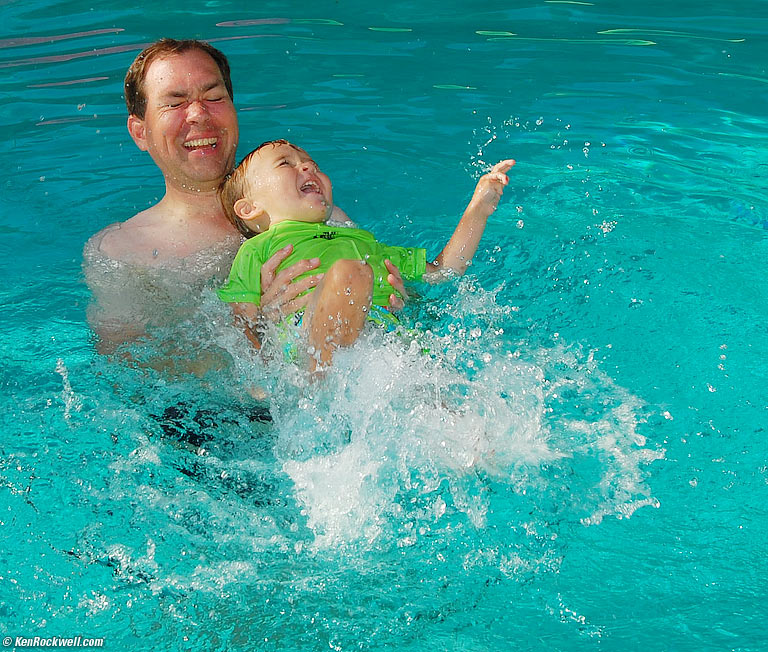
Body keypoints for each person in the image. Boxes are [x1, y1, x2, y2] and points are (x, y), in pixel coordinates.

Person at [83, 38, 407, 360]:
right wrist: (256, 331)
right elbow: (127, 370)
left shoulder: (319, 213)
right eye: (174, 103)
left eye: (213, 97)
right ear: (140, 132)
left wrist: (400, 299)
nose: (198, 114)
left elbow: (396, 302)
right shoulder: (121, 251)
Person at [217, 139, 515, 369]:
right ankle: (319, 375)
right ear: (249, 208)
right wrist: (260, 375)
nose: (308, 168)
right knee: (350, 273)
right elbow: (241, 321)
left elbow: (443, 271)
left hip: (385, 344)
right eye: (285, 163)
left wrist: (478, 209)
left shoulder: (364, 241)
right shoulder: (257, 249)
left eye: (313, 165)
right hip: (305, 339)